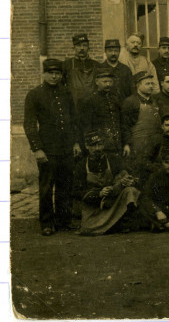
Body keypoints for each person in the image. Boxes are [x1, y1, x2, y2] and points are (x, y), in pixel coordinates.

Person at [24, 58, 82, 235]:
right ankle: (47, 223)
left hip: (66, 148)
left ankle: (63, 220)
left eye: (58, 73)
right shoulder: (34, 94)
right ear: (44, 73)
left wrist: (76, 142)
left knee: (65, 185)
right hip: (47, 149)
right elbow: (29, 124)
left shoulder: (65, 92)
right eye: (51, 73)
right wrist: (37, 148)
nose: (55, 77)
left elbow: (73, 120)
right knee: (47, 187)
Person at [75, 130, 141, 236]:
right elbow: (76, 192)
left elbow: (130, 175)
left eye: (100, 145)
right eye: (93, 146)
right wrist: (98, 193)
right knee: (87, 229)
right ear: (87, 146)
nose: (97, 149)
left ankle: (123, 223)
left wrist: (127, 181)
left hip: (112, 202)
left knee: (130, 191)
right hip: (95, 208)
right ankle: (113, 225)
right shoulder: (81, 165)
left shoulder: (112, 159)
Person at [79, 69, 124, 166]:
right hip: (100, 147)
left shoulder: (115, 98)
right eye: (105, 82)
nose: (108, 84)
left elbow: (121, 122)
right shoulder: (89, 100)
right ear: (96, 82)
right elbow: (87, 126)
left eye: (110, 82)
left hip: (117, 145)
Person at [121, 72, 161, 163]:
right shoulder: (130, 102)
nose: (151, 86)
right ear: (138, 86)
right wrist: (126, 144)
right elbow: (124, 125)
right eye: (147, 84)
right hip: (138, 145)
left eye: (152, 83)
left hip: (155, 144)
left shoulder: (156, 101)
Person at [63, 33, 100, 108]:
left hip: (93, 105)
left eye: (85, 45)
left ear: (88, 48)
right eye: (78, 45)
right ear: (73, 48)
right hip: (73, 106)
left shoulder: (96, 65)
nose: (82, 48)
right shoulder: (67, 64)